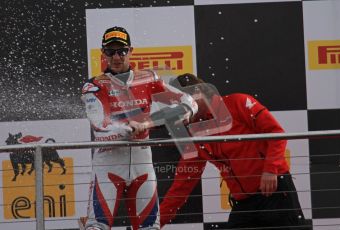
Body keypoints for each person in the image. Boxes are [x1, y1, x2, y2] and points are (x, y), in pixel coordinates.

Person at [81, 27, 198, 230]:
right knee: (96, 227)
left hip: (142, 161)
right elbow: (100, 129)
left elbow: (189, 103)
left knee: (150, 227)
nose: (116, 56)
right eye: (110, 51)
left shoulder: (149, 78)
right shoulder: (94, 86)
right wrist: (126, 129)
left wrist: (150, 122)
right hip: (108, 163)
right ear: (103, 53)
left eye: (122, 50)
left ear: (130, 50)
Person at [159, 73, 307, 229]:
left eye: (184, 102)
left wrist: (271, 170)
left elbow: (276, 133)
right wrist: (156, 223)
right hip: (243, 203)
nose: (183, 110)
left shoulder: (238, 102)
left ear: (198, 91)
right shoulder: (194, 133)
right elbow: (183, 183)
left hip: (275, 192)